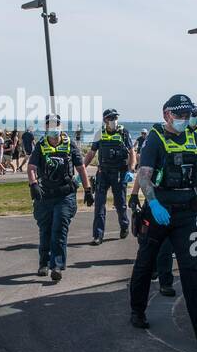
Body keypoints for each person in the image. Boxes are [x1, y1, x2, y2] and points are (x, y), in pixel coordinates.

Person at [128, 95, 197, 344]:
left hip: (186, 215)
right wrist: (154, 203)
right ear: (167, 115)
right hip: (159, 211)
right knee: (146, 262)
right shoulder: (155, 140)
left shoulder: (194, 139)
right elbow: (145, 175)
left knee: (191, 267)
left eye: (187, 114)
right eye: (179, 114)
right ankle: (137, 310)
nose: (184, 119)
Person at [28, 114, 91, 282]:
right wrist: (33, 184)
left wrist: (88, 189)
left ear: (61, 126)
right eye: (50, 125)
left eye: (56, 124)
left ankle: (57, 265)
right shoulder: (41, 145)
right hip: (45, 195)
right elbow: (32, 167)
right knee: (45, 229)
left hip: (65, 195)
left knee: (59, 229)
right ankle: (44, 263)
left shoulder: (69, 145)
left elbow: (81, 168)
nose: (53, 128)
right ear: (46, 127)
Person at [83, 108, 135, 244]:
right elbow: (91, 153)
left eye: (115, 118)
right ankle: (97, 235)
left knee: (120, 203)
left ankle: (124, 225)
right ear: (105, 120)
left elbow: (132, 152)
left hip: (119, 173)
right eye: (111, 118)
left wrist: (131, 170)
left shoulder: (124, 133)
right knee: (99, 205)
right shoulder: (100, 133)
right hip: (103, 173)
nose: (113, 120)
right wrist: (82, 169)